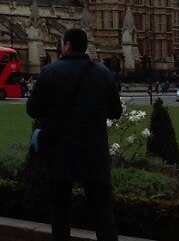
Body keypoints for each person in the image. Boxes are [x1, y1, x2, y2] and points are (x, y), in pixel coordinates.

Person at [26, 28, 123, 241]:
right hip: (94, 153)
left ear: (66, 46)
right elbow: (116, 112)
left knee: (60, 213)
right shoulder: (103, 73)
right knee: (103, 214)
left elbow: (32, 109)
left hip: (61, 153)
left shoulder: (50, 72)